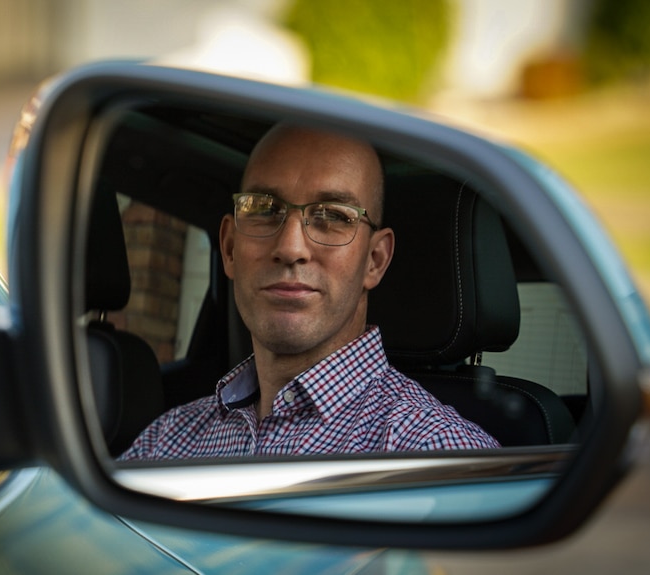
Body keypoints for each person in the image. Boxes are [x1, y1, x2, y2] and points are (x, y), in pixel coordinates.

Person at [119, 124, 499, 460]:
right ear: (230, 249)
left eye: (333, 216)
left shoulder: (438, 456)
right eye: (264, 209)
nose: (291, 247)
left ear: (375, 261)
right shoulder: (167, 439)